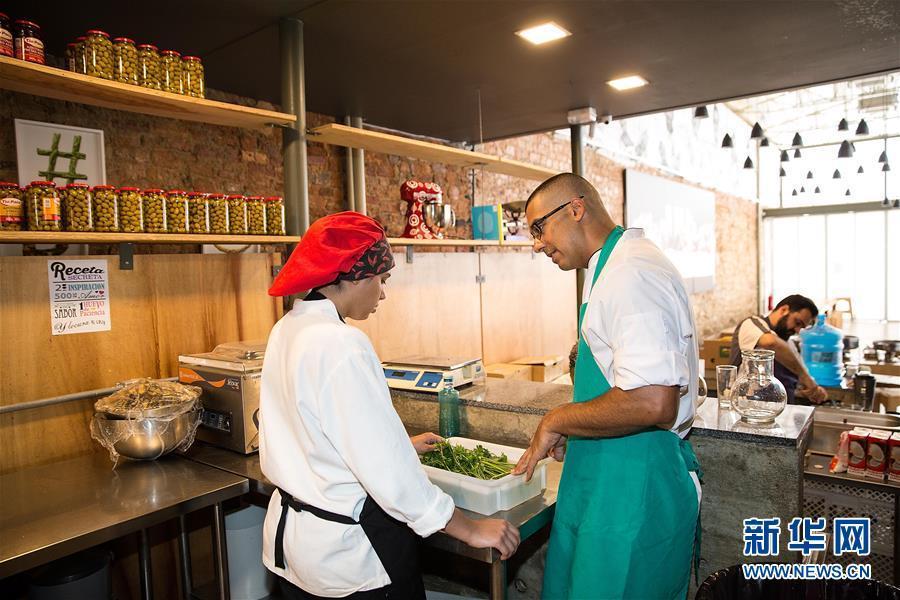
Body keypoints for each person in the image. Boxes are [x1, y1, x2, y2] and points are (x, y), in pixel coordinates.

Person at [259, 212, 519, 600]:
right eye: (382, 279)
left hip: (297, 549)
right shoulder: (341, 344)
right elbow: (393, 477)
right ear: (352, 275)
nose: (383, 293)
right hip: (350, 554)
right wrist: (468, 528)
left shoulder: (287, 329)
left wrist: (401, 443)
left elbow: (311, 428)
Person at [513, 173, 702, 600]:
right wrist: (580, 428)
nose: (537, 244)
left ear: (576, 209)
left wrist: (558, 418)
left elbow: (654, 401)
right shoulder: (610, 268)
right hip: (605, 482)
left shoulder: (631, 274)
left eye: (540, 228)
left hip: (634, 490)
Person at [731, 295, 828, 405]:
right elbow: (771, 343)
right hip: (751, 407)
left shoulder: (788, 343)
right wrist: (807, 379)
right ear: (784, 310)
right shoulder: (752, 323)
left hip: (782, 410)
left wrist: (809, 392)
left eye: (802, 327)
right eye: (797, 322)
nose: (797, 330)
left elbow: (789, 382)